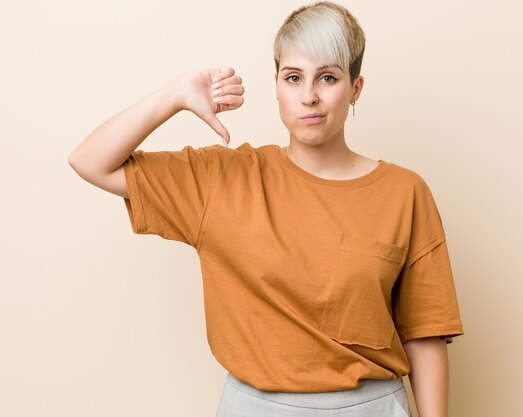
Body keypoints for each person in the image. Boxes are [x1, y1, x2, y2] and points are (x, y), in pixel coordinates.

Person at [68, 1, 464, 416]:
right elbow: (90, 161)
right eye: (294, 78)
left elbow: (425, 332)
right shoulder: (220, 179)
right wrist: (177, 93)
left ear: (355, 88)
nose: (309, 96)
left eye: (327, 77)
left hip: (372, 406)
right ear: (276, 84)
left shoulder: (404, 192)